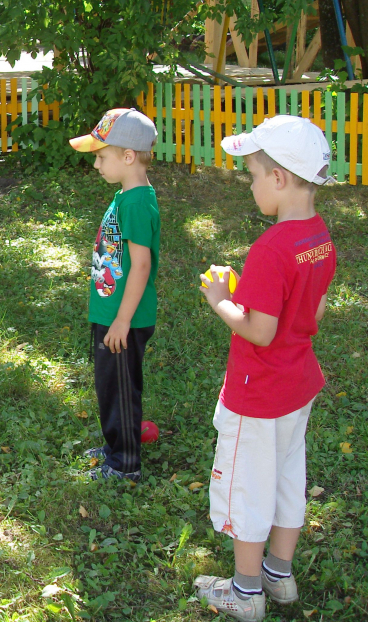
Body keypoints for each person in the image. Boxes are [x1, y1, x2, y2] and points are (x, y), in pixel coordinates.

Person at [193, 115, 336, 621]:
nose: (251, 185)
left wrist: (218, 299)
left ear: (278, 178)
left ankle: (246, 592)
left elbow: (258, 330)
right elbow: (310, 312)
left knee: (247, 484)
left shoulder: (271, 248)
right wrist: (250, 294)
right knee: (285, 477)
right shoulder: (319, 238)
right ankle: (280, 574)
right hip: (298, 386)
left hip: (258, 393)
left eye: (252, 175)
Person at [69, 108, 160, 481]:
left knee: (121, 388)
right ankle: (114, 446)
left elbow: (140, 265)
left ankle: (125, 465)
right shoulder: (126, 196)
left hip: (125, 319)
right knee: (108, 384)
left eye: (101, 157)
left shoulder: (138, 202)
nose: (96, 165)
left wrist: (122, 320)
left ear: (128, 157)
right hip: (111, 314)